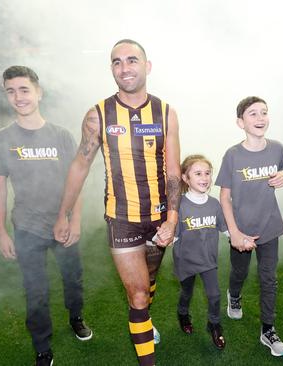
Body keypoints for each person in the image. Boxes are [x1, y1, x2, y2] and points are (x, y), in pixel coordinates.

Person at [53, 39, 181, 366]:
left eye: (131, 60)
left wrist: (172, 218)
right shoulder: (98, 115)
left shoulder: (166, 113)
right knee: (137, 295)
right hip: (121, 219)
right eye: (116, 62)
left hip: (159, 218)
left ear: (147, 66)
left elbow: (173, 170)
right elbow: (80, 164)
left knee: (147, 288)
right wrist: (64, 214)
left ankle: (143, 321)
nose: (124, 68)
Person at [0, 65, 92, 366]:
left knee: (73, 280)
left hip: (63, 225)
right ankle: (42, 346)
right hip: (27, 228)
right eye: (11, 91)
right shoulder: (1, 139)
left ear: (38, 92)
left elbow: (78, 182)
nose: (18, 97)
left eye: (24, 89)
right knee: (36, 292)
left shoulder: (61, 135)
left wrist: (76, 220)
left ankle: (76, 317)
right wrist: (1, 231)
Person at [216, 96, 283, 356]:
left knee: (269, 279)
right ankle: (233, 295)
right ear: (240, 122)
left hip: (270, 226)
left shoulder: (277, 148)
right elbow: (224, 197)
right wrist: (234, 232)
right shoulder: (232, 155)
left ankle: (268, 330)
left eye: (264, 113)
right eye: (253, 114)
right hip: (242, 230)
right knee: (240, 273)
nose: (260, 118)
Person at [173, 155, 227, 350]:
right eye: (198, 173)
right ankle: (183, 313)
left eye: (207, 173)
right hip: (186, 260)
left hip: (208, 261)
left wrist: (241, 238)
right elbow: (174, 236)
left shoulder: (214, 204)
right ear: (186, 178)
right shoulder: (178, 205)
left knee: (215, 295)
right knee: (186, 292)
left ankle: (214, 323)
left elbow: (226, 229)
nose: (204, 178)